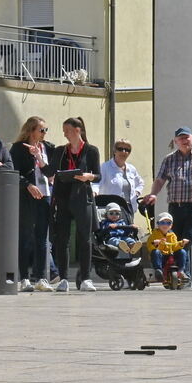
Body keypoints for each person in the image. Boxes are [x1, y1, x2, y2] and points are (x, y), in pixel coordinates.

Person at [141, 128, 192, 276]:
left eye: (186, 137)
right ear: (175, 141)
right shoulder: (169, 159)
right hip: (176, 207)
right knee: (173, 239)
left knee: (187, 240)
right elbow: (160, 180)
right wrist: (153, 194)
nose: (184, 140)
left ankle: (183, 273)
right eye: (180, 138)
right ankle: (174, 272)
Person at [44, 117, 101, 292]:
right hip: (63, 197)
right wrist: (39, 158)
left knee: (85, 238)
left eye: (67, 130)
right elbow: (50, 171)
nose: (65, 134)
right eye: (64, 131)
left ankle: (85, 278)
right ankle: (63, 279)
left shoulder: (91, 150)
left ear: (78, 130)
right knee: (63, 239)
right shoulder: (60, 150)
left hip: (82, 197)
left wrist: (88, 177)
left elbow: (98, 175)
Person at [9, 116, 55, 292]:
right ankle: (24, 278)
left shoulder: (48, 148)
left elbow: (51, 172)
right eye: (41, 130)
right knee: (26, 236)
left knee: (42, 238)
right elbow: (13, 172)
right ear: (30, 131)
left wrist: (39, 157)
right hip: (27, 195)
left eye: (45, 130)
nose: (44, 133)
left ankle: (41, 277)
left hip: (45, 195)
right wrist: (27, 185)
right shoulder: (18, 149)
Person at [99, 139, 145, 216]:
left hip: (129, 209)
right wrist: (94, 192)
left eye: (127, 150)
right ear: (114, 151)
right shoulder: (105, 167)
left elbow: (140, 183)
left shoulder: (131, 169)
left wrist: (136, 193)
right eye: (120, 149)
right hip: (112, 211)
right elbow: (97, 183)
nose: (124, 152)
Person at [145, 212, 189, 287]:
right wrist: (155, 244)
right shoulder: (154, 234)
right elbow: (150, 246)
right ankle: (158, 270)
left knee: (182, 252)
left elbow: (175, 246)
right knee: (156, 252)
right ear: (158, 224)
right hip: (161, 257)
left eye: (168, 223)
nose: (165, 225)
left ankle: (181, 270)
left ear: (171, 225)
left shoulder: (172, 235)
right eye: (162, 223)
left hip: (170, 254)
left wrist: (181, 243)